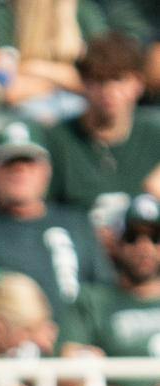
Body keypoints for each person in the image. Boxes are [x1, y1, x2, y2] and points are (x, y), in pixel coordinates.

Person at [0, 121, 112, 331]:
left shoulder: (76, 223)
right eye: (9, 162)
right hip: (8, 350)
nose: (20, 170)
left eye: (29, 161)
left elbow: (106, 293)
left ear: (46, 170)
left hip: (78, 349)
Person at [46, 33, 160, 238]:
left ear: (138, 84)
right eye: (98, 80)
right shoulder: (59, 140)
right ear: (84, 83)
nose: (109, 90)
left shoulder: (154, 133)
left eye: (118, 79)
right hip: (82, 249)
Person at [63, 191, 160, 386]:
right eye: (132, 236)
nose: (144, 247)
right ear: (115, 242)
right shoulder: (91, 301)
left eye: (155, 237)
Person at [0, 0, 100, 113]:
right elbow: (10, 88)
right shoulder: (2, 9)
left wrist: (33, 67)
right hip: (23, 111)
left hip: (78, 109)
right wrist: (66, 79)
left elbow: (97, 83)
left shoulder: (84, 10)